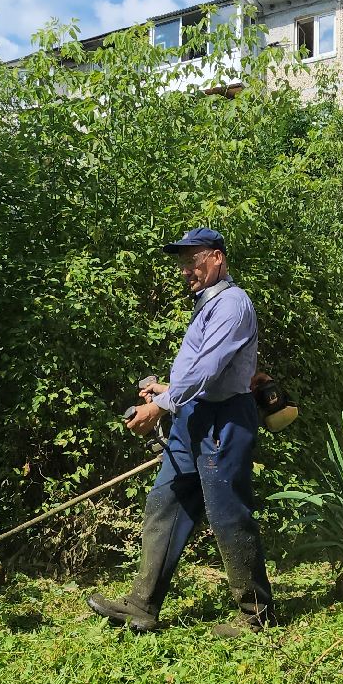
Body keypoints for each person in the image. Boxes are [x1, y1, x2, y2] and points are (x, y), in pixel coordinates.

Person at [87, 226, 274, 636]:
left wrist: (158, 406)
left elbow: (209, 370)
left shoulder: (232, 304)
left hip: (224, 420)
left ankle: (256, 614)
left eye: (193, 261)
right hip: (193, 415)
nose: (186, 270)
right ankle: (142, 604)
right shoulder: (208, 303)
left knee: (228, 514)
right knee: (166, 502)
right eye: (182, 264)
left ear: (217, 258)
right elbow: (201, 373)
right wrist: (168, 390)